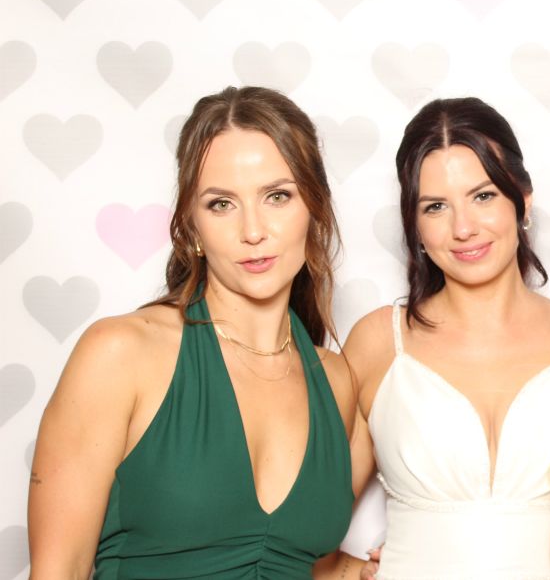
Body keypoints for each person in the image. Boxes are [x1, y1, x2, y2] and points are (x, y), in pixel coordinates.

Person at [28, 86, 364, 579]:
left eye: (277, 196)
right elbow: (59, 570)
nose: (253, 231)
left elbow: (297, 561)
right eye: (222, 204)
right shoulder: (120, 355)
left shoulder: (334, 381)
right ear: (190, 227)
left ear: (314, 208)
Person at [342, 97, 550, 579]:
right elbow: (300, 520)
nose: (463, 228)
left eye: (483, 196)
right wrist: (348, 571)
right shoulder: (378, 343)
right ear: (415, 224)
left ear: (523, 199)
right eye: (436, 206)